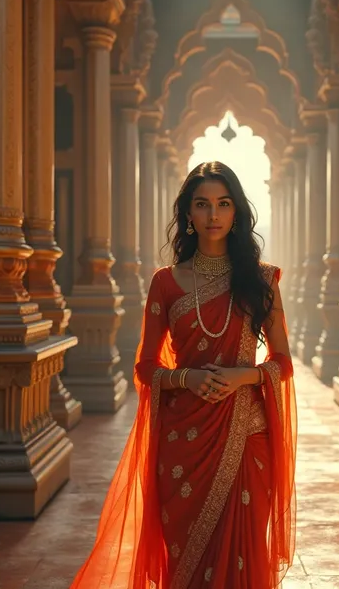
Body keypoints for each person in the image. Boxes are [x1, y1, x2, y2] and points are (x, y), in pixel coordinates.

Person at [70, 161, 297, 589]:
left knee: (245, 554)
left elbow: (282, 363)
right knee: (186, 564)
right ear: (188, 215)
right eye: (202, 205)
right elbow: (146, 366)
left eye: (223, 204)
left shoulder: (261, 280)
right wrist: (186, 379)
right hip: (183, 445)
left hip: (247, 436)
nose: (213, 215)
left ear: (237, 213)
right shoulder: (166, 283)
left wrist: (241, 378)